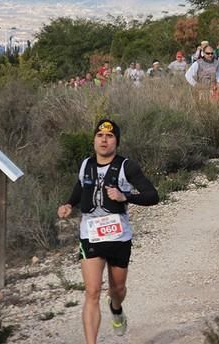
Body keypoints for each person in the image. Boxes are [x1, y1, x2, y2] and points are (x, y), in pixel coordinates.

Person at [57, 119, 159, 343]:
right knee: (92, 291)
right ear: (94, 140)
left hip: (118, 237)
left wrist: (125, 196)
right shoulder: (86, 165)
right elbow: (81, 187)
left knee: (118, 289)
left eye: (110, 136)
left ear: (117, 142)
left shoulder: (127, 167)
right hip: (90, 235)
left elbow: (153, 196)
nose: (104, 140)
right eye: (100, 135)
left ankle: (116, 308)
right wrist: (68, 204)